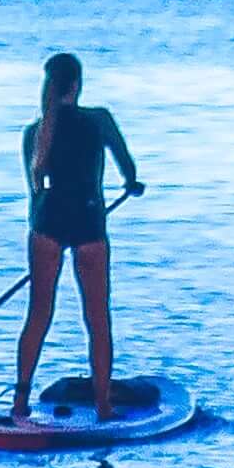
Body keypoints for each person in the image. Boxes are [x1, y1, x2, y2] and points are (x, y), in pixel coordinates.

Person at [13, 50, 142, 422]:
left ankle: (19, 404)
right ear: (78, 85)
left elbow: (34, 194)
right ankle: (103, 405)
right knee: (97, 318)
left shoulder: (32, 133)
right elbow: (127, 169)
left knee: (38, 314)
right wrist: (131, 185)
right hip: (87, 222)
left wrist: (42, 228)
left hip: (46, 225)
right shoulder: (99, 120)